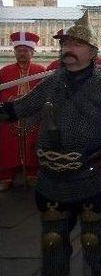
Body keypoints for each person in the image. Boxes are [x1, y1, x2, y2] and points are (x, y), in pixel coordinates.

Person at [0, 12, 101, 276]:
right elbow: (19, 109)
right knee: (53, 244)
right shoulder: (51, 82)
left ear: (91, 52)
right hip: (52, 181)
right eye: (65, 44)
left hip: (91, 178)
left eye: (76, 45)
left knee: (94, 243)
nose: (68, 49)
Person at [0, 31, 47, 191]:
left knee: (35, 140)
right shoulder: (4, 71)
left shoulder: (41, 70)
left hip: (32, 115)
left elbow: (45, 94)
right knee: (7, 142)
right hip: (11, 114)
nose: (21, 53)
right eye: (18, 50)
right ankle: (6, 175)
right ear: (14, 52)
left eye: (25, 51)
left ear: (32, 52)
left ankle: (33, 172)